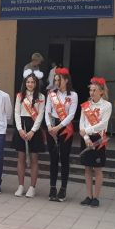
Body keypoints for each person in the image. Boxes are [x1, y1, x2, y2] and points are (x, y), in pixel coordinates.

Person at [44, 68, 78, 202]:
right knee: (53, 159)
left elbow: (71, 114)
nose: (57, 82)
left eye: (59, 80)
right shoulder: (51, 94)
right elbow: (47, 111)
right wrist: (49, 126)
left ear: (66, 80)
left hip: (65, 128)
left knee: (64, 158)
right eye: (56, 80)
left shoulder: (73, 95)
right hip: (52, 127)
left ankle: (63, 189)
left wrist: (58, 127)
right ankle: (52, 187)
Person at [79, 77, 112, 208]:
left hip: (98, 139)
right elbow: (81, 123)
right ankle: (88, 196)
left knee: (97, 169)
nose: (91, 93)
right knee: (87, 168)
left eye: (94, 90)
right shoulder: (85, 105)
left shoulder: (107, 105)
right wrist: (86, 138)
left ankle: (96, 198)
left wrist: (87, 131)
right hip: (86, 139)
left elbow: (103, 124)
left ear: (101, 92)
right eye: (91, 90)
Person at [12, 69, 45, 198]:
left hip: (34, 128)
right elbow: (16, 113)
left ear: (36, 83)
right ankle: (20, 186)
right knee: (20, 157)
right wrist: (20, 129)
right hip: (22, 126)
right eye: (28, 82)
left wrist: (33, 131)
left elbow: (40, 115)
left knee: (34, 158)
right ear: (25, 83)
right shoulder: (20, 96)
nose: (30, 84)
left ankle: (32, 187)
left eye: (32, 82)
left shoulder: (41, 97)